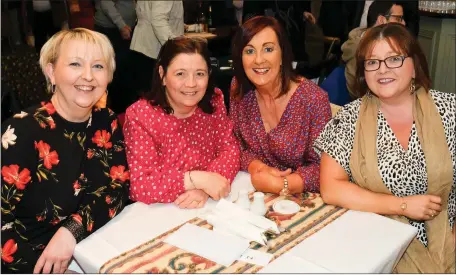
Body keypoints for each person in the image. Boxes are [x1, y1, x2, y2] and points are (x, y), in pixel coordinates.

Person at [314, 23, 455, 273]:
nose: (382, 69)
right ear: (363, 72)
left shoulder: (449, 111)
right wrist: (402, 205)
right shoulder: (347, 119)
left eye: (394, 59)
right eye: (372, 62)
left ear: (414, 66)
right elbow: (331, 188)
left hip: (448, 238)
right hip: (378, 246)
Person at [1, 28, 130, 274]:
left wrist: (71, 231)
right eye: (75, 64)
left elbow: (118, 187)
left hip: (89, 247)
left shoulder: (107, 121)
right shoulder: (22, 131)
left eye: (98, 66)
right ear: (51, 72)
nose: (88, 76)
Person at [123, 37, 240, 208]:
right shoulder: (140, 115)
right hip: (161, 211)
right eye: (180, 74)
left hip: (208, 205)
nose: (191, 84)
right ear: (162, 75)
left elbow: (229, 149)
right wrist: (199, 179)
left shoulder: (214, 101)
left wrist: (207, 187)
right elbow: (141, 184)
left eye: (200, 74)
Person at [230, 16, 331, 196]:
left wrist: (283, 184)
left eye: (268, 49)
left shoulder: (313, 100)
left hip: (303, 198)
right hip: (252, 188)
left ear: (283, 54)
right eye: (249, 51)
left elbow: (326, 167)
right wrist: (257, 167)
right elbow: (235, 144)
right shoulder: (239, 89)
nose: (259, 60)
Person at [342, 0, 405, 99]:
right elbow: (358, 91)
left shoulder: (383, 44)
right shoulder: (360, 48)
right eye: (398, 19)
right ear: (382, 20)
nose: (403, 23)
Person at [130, 1, 184, 100]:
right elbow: (158, 20)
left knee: (145, 97)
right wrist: (176, 48)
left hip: (143, 45)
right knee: (153, 99)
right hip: (153, 49)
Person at [94, 0, 136, 113]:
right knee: (115, 71)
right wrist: (121, 25)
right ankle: (117, 113)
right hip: (111, 29)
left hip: (127, 27)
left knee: (126, 70)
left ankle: (126, 109)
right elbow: (106, 3)